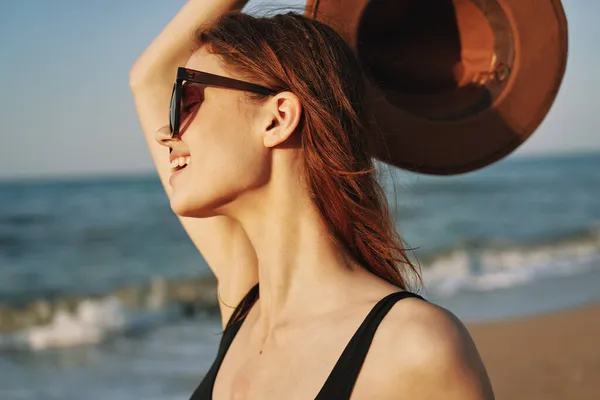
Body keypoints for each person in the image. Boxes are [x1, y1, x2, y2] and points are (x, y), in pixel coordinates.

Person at [129, 1, 494, 398]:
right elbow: (147, 79)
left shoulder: (413, 346)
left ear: (277, 117)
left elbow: (149, 77)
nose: (167, 133)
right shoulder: (246, 303)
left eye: (188, 99)